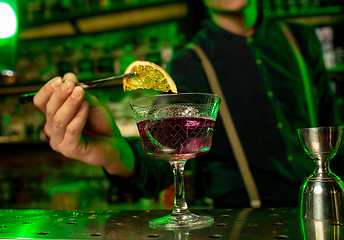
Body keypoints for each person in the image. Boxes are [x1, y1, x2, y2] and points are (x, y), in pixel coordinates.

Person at [32, 0, 342, 208]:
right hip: (240, 220)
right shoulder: (188, 63)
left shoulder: (302, 40)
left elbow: (332, 127)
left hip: (325, 210)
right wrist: (117, 153)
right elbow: (169, 156)